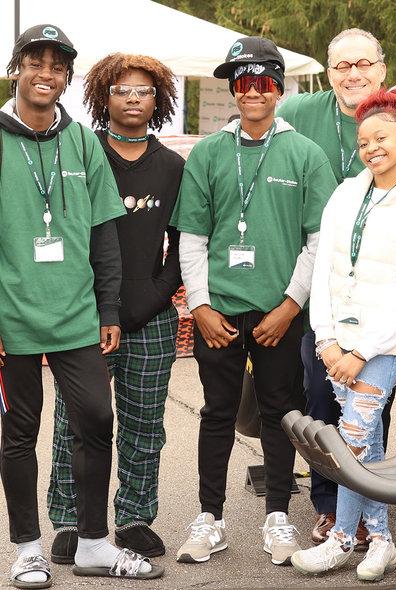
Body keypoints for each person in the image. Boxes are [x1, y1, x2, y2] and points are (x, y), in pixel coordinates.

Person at [276, 27, 396, 546]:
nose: (352, 74)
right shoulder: (299, 113)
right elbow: (251, 136)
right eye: (341, 66)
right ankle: (333, 507)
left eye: (362, 64)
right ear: (327, 71)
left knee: (369, 407)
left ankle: (366, 516)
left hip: (382, 299)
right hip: (323, 291)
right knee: (318, 394)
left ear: (381, 69)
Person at [0, 25, 162, 586]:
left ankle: (93, 543)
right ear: (16, 67)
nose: (46, 74)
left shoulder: (83, 142)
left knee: (96, 418)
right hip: (12, 316)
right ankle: (27, 548)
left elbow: (104, 235)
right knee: (20, 431)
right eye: (35, 62)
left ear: (68, 76)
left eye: (58, 66)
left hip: (76, 317)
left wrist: (109, 311)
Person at [171, 37, 337, 566]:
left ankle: (279, 517)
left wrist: (291, 306)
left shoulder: (304, 154)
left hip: (279, 311)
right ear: (233, 89)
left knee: (279, 411)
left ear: (279, 87)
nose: (253, 92)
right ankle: (210, 517)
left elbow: (319, 241)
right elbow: (191, 239)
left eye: (264, 81)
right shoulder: (210, 152)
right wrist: (199, 305)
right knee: (217, 411)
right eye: (242, 82)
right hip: (218, 309)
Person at [290, 87, 396, 582]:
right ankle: (380, 540)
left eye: (382, 137)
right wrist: (327, 339)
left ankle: (340, 540)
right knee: (367, 439)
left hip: (379, 346)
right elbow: (325, 270)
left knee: (352, 436)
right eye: (363, 141)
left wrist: (360, 351)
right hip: (336, 340)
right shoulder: (345, 193)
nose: (372, 147)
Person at [47, 53, 184, 563]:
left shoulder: (172, 166)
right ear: (102, 97)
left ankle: (133, 516)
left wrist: (153, 297)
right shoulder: (81, 153)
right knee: (74, 422)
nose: (132, 98)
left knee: (145, 424)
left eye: (143, 91)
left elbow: (183, 242)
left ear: (159, 100)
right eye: (121, 90)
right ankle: (69, 519)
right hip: (82, 317)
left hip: (150, 320)